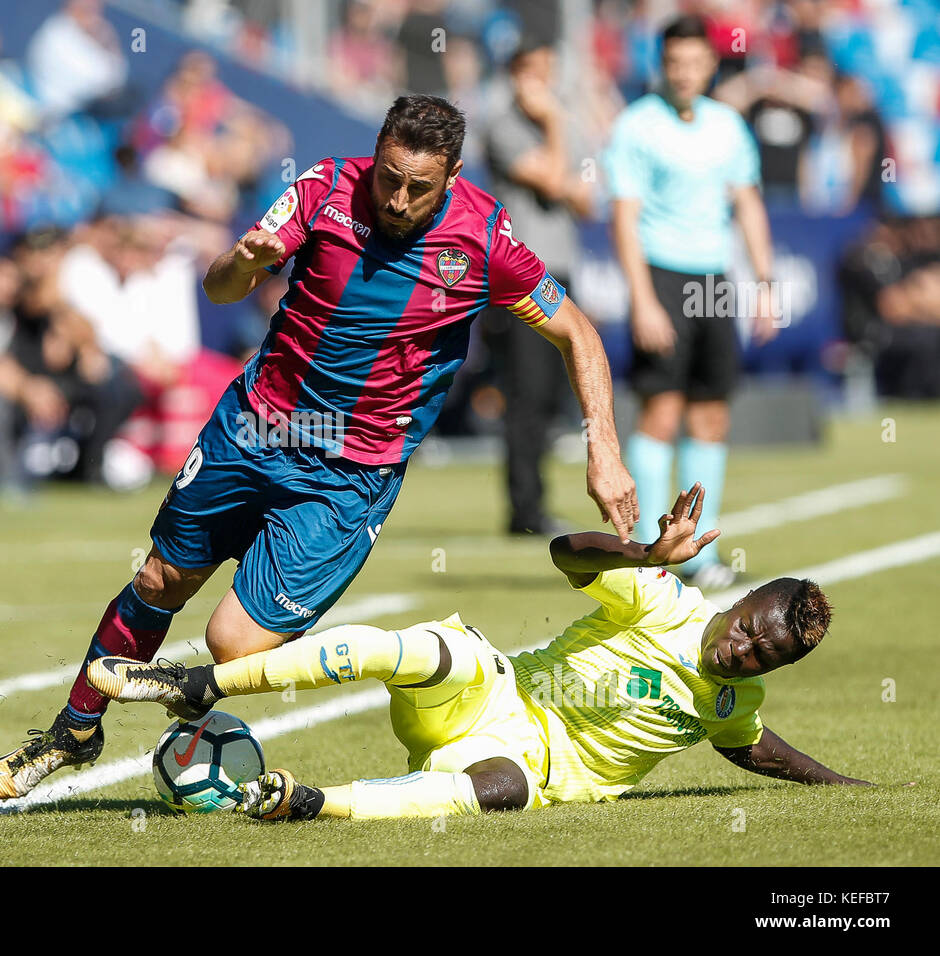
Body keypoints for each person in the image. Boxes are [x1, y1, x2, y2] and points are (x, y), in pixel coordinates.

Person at [0, 94, 638, 800]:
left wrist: (604, 448)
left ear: (451, 177)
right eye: (388, 176)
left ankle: (193, 689)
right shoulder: (323, 189)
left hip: (349, 475)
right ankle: (73, 731)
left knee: (233, 645)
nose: (398, 198)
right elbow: (222, 288)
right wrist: (244, 261)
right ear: (375, 155)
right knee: (157, 582)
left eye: (419, 186)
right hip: (253, 428)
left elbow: (579, 333)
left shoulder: (482, 240)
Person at [92, 484, 870, 821]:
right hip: (495, 697)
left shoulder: (733, 706)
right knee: (426, 648)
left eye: (762, 656)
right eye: (747, 628)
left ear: (772, 670)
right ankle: (200, 680)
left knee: (501, 792)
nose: (742, 650)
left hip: (529, 765)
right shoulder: (662, 599)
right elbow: (568, 555)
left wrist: (841, 783)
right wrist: (636, 553)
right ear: (737, 601)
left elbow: (756, 750)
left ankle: (316, 802)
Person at [606, 15, 779, 591]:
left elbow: (747, 202)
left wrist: (765, 281)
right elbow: (624, 216)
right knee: (661, 410)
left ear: (711, 64)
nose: (683, 73)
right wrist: (643, 299)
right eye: (673, 63)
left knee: (710, 414)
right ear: (662, 65)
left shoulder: (728, 126)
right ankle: (653, 553)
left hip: (712, 279)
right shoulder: (637, 125)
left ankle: (700, 555)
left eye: (694, 62)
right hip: (662, 274)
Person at [482, 38, 596, 535]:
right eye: (532, 72)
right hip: (518, 274)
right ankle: (524, 510)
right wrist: (553, 125)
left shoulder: (564, 124)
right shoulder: (505, 125)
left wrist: (559, 136)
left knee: (552, 392)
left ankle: (537, 501)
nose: (542, 84)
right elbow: (555, 183)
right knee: (525, 393)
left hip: (561, 269)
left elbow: (589, 200)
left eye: (548, 71)